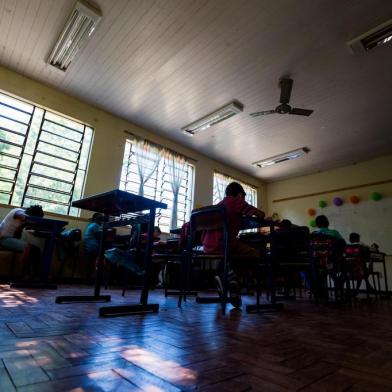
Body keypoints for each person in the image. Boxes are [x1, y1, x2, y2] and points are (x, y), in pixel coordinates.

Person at [202, 182, 266, 307]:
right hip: (223, 244)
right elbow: (260, 214)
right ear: (240, 194)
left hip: (208, 246)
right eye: (244, 196)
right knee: (254, 253)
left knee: (235, 253)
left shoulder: (218, 205)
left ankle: (228, 276)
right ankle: (232, 278)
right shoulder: (236, 201)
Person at [0, 205, 44, 277]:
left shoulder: (24, 221)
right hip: (3, 238)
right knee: (28, 248)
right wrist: (31, 220)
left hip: (9, 239)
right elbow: (21, 215)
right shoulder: (17, 211)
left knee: (36, 250)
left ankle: (35, 275)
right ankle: (25, 275)